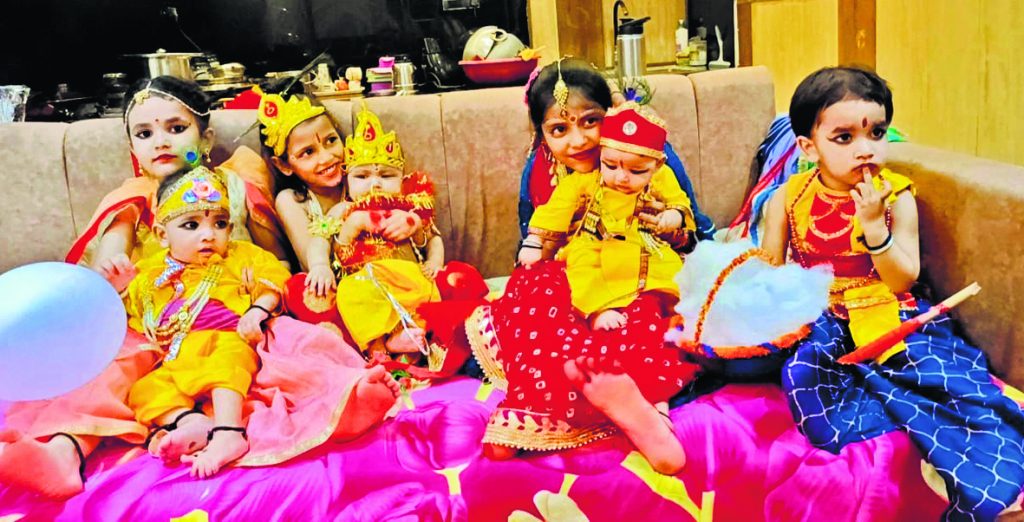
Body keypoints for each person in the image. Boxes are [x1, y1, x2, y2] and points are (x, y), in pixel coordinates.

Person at [762, 66, 1024, 520]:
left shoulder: (896, 196)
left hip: (887, 310)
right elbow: (770, 267)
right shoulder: (786, 197)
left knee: (942, 381)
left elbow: (903, 278)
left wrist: (873, 229)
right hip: (820, 314)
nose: (865, 149)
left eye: (877, 132)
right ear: (808, 147)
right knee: (804, 376)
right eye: (844, 138)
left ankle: (988, 476)